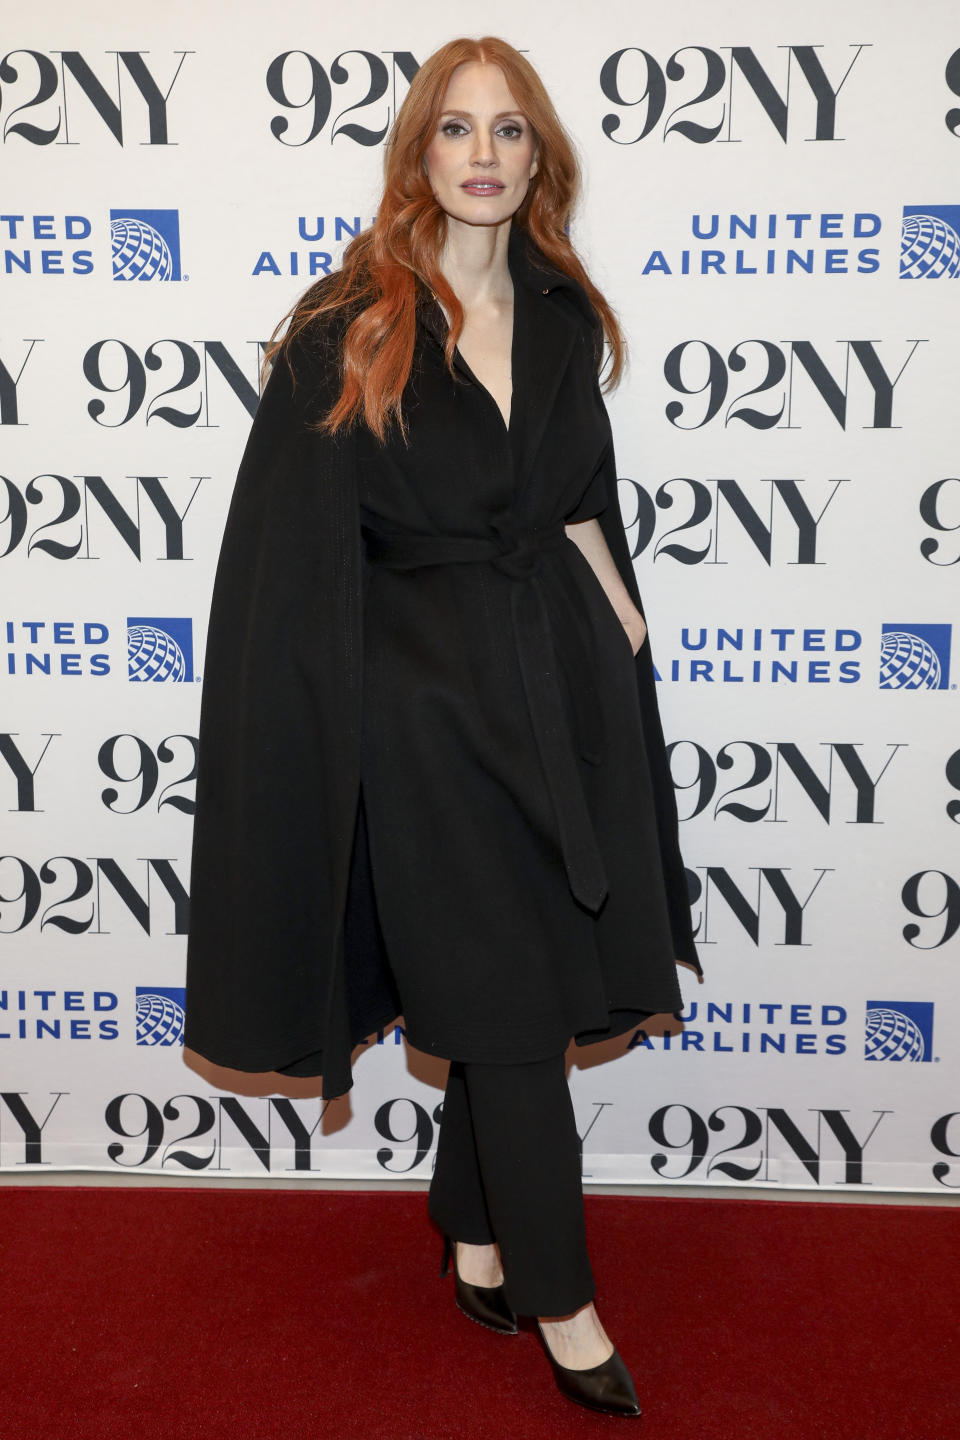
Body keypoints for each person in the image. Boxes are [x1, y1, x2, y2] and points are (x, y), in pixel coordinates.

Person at [183, 34, 702, 1420]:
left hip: (562, 692)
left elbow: (582, 499)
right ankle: (563, 1295)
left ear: (540, 159)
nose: (483, 154)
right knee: (517, 1011)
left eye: (510, 132)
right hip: (419, 719)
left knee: (517, 983)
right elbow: (288, 563)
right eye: (457, 130)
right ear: (418, 154)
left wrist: (626, 628)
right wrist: (329, 737)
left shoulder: (569, 314)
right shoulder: (349, 320)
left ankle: (468, 1229)